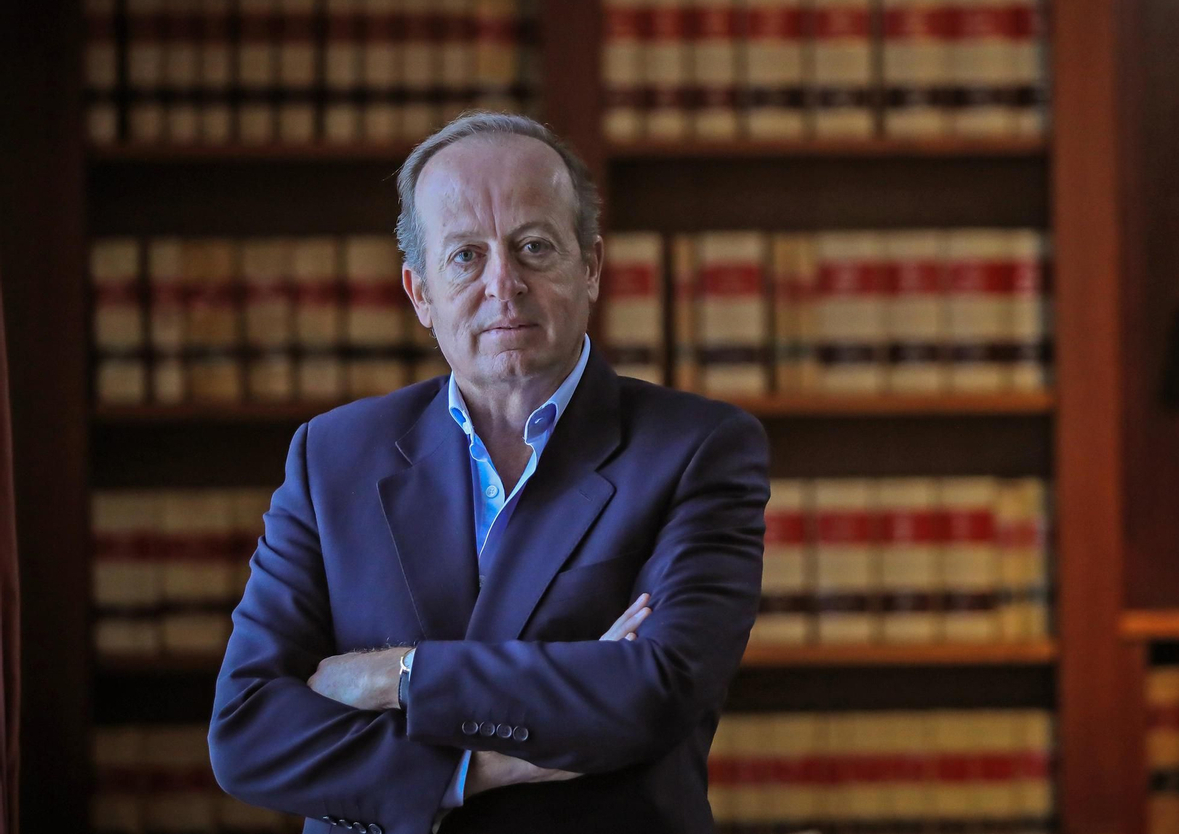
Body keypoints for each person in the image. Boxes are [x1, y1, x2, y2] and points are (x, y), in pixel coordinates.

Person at [208, 112, 770, 834]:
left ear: (591, 266)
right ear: (420, 293)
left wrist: (397, 675)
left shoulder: (697, 449)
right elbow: (247, 731)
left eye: (534, 247)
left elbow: (654, 692)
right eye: (466, 256)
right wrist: (478, 767)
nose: (504, 284)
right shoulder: (332, 456)